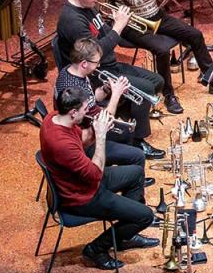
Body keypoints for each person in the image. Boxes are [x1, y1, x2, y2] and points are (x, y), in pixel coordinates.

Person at [40, 87, 158, 270]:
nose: (88, 112)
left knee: (136, 173)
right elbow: (96, 173)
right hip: (82, 197)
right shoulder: (62, 145)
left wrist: (97, 128)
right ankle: (96, 249)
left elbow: (84, 139)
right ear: (73, 113)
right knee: (145, 217)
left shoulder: (53, 118)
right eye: (85, 109)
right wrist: (101, 136)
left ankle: (123, 234)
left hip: (82, 182)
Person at [56, 0, 164, 159]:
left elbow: (105, 33)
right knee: (145, 90)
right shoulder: (72, 20)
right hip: (95, 71)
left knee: (157, 81)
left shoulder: (88, 6)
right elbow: (98, 52)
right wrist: (118, 27)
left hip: (109, 65)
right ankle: (137, 141)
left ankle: (124, 118)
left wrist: (116, 23)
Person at [54, 38, 156, 186]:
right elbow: (104, 119)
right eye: (96, 62)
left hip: (82, 124)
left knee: (125, 126)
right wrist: (116, 94)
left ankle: (127, 174)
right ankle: (131, 178)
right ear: (84, 63)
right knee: (127, 132)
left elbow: (92, 97)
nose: (99, 65)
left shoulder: (69, 71)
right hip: (84, 138)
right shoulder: (76, 90)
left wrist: (106, 89)